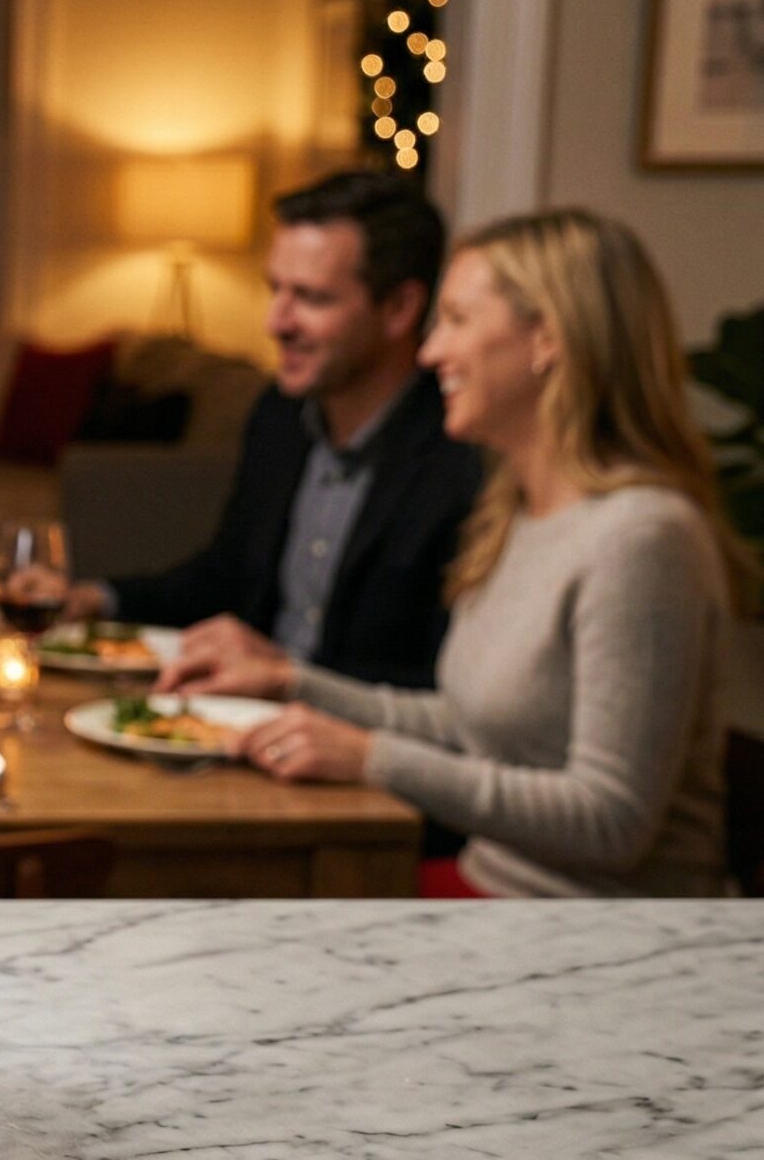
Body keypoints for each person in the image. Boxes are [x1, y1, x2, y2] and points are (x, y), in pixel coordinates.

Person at [164, 210, 751, 898]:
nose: (429, 352)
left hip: (593, 930)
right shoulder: (519, 511)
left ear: (548, 340)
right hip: (493, 894)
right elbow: (466, 723)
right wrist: (290, 682)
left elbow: (612, 820)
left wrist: (372, 759)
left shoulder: (642, 537)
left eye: (456, 320)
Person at [59, 171, 483, 690]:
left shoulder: (463, 454)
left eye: (311, 298)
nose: (276, 322)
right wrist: (97, 599)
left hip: (353, 736)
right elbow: (226, 576)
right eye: (275, 289)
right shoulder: (279, 417)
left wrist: (287, 674)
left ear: (399, 309)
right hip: (238, 718)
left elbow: (447, 688)